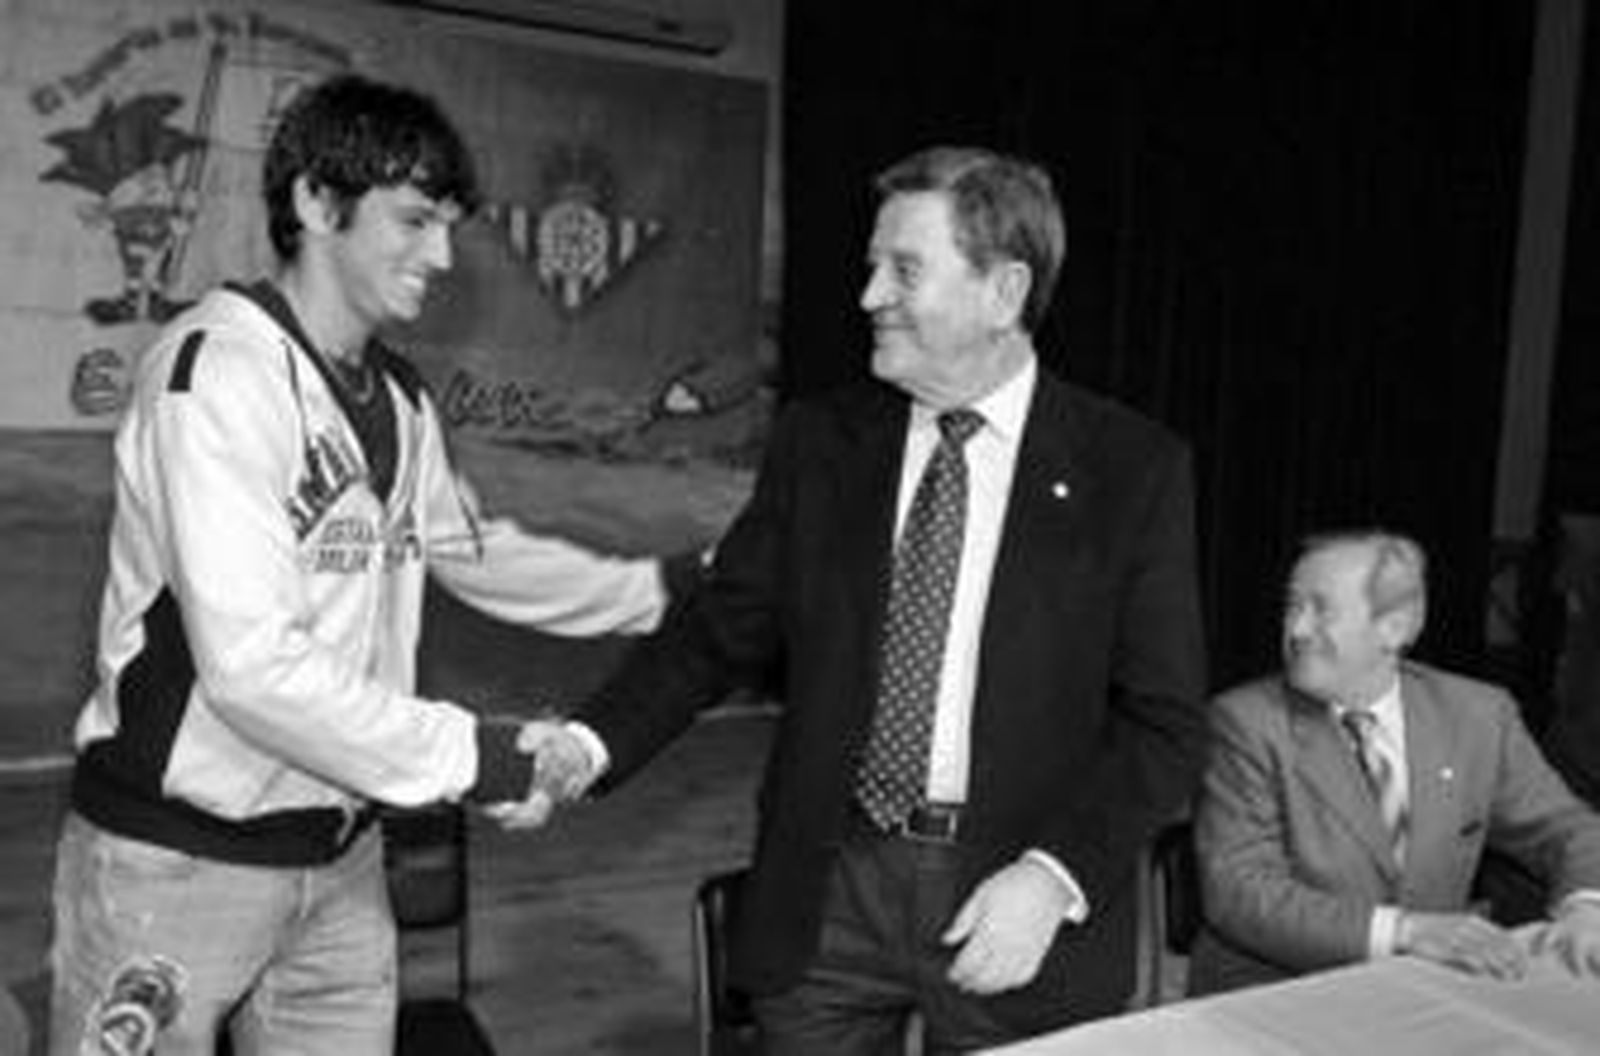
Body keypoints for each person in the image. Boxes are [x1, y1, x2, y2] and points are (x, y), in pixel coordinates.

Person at [48, 74, 688, 1056]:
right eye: (416, 220)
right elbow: (252, 669)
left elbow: (475, 556)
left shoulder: (398, 396)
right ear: (314, 200)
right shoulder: (214, 374)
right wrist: (477, 753)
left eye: (448, 225)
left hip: (342, 861)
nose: (441, 255)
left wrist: (657, 593)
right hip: (175, 867)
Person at [518, 145, 1208, 1052]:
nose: (869, 296)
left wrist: (1053, 876)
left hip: (1015, 901)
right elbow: (720, 632)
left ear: (1004, 292)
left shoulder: (1131, 470)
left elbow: (1164, 725)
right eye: (872, 265)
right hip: (828, 891)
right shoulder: (822, 441)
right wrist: (586, 744)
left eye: (904, 270)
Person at [1190, 530, 1600, 994]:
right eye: (1292, 606)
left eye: (1320, 608)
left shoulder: (1478, 716)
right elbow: (1240, 894)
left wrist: (1586, 905)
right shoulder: (1244, 723)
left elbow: (1568, 828)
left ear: (1395, 627)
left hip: (1427, 985)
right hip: (1273, 986)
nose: (1296, 630)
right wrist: (1405, 931)